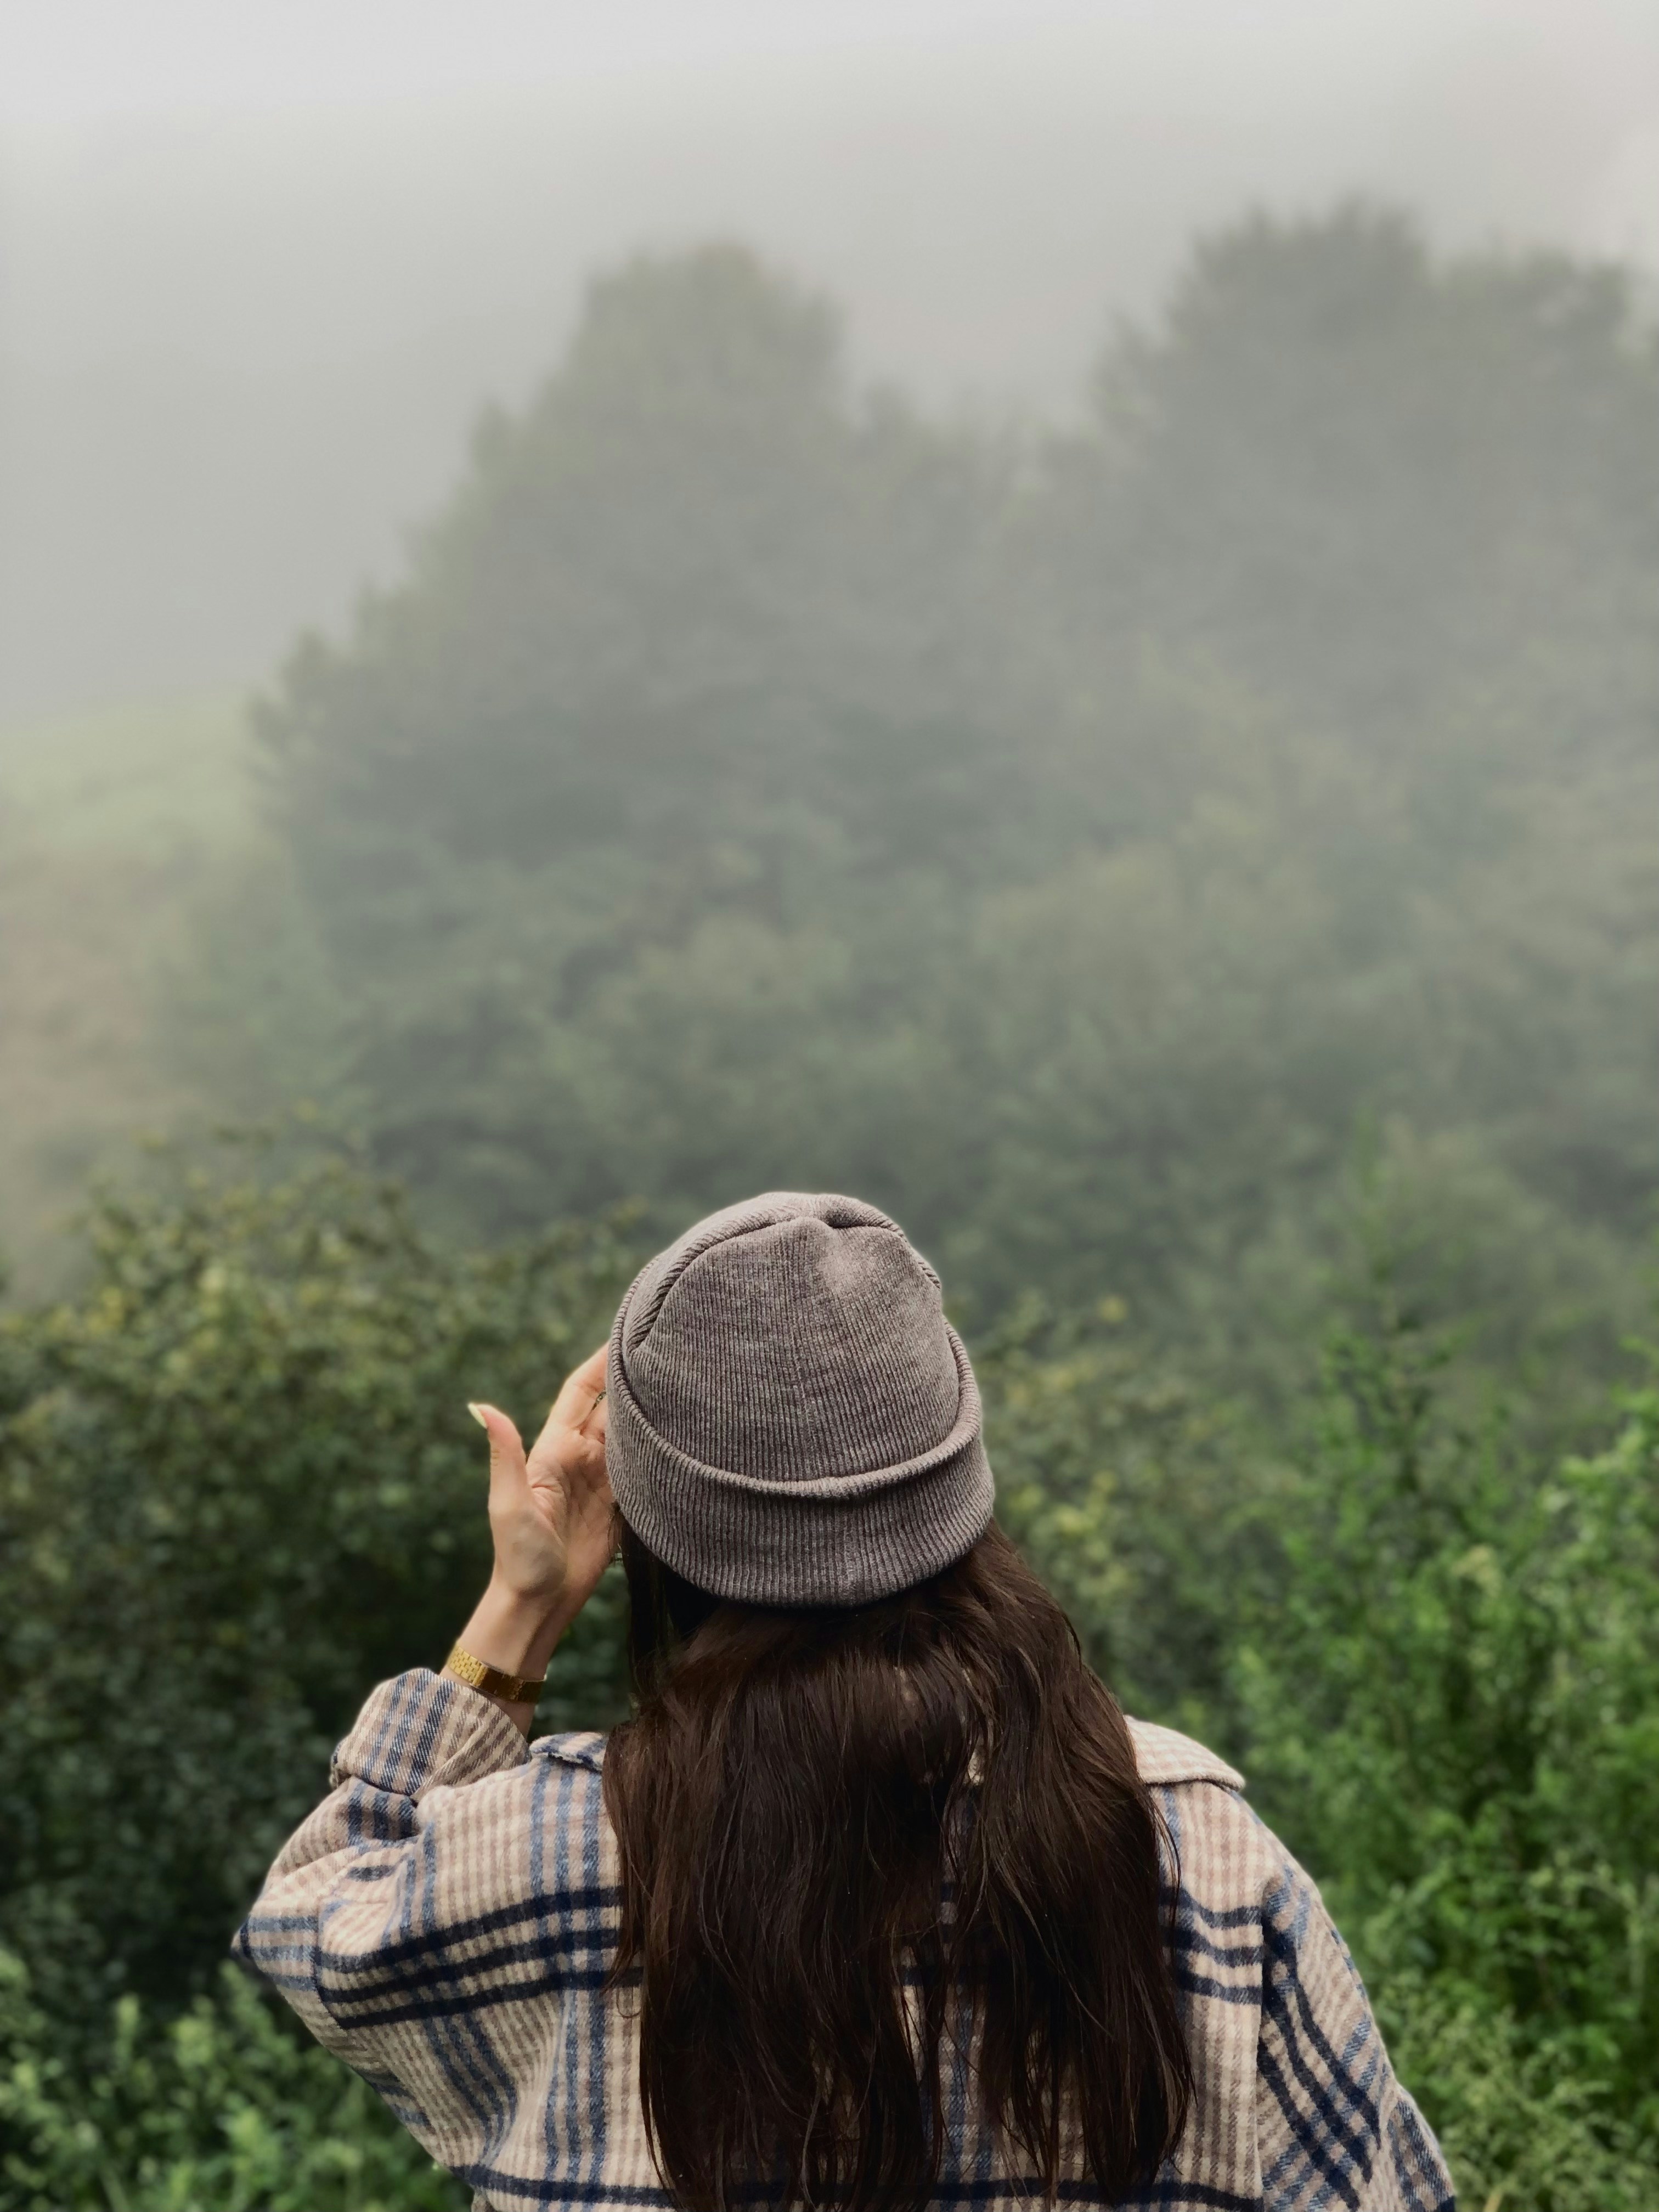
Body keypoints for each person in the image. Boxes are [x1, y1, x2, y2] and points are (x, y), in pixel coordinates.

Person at [236, 1192, 1454, 2211]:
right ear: (958, 1488)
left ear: (658, 1530)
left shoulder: (554, 1858)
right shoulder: (1194, 1853)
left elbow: (311, 1917)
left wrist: (523, 1607)